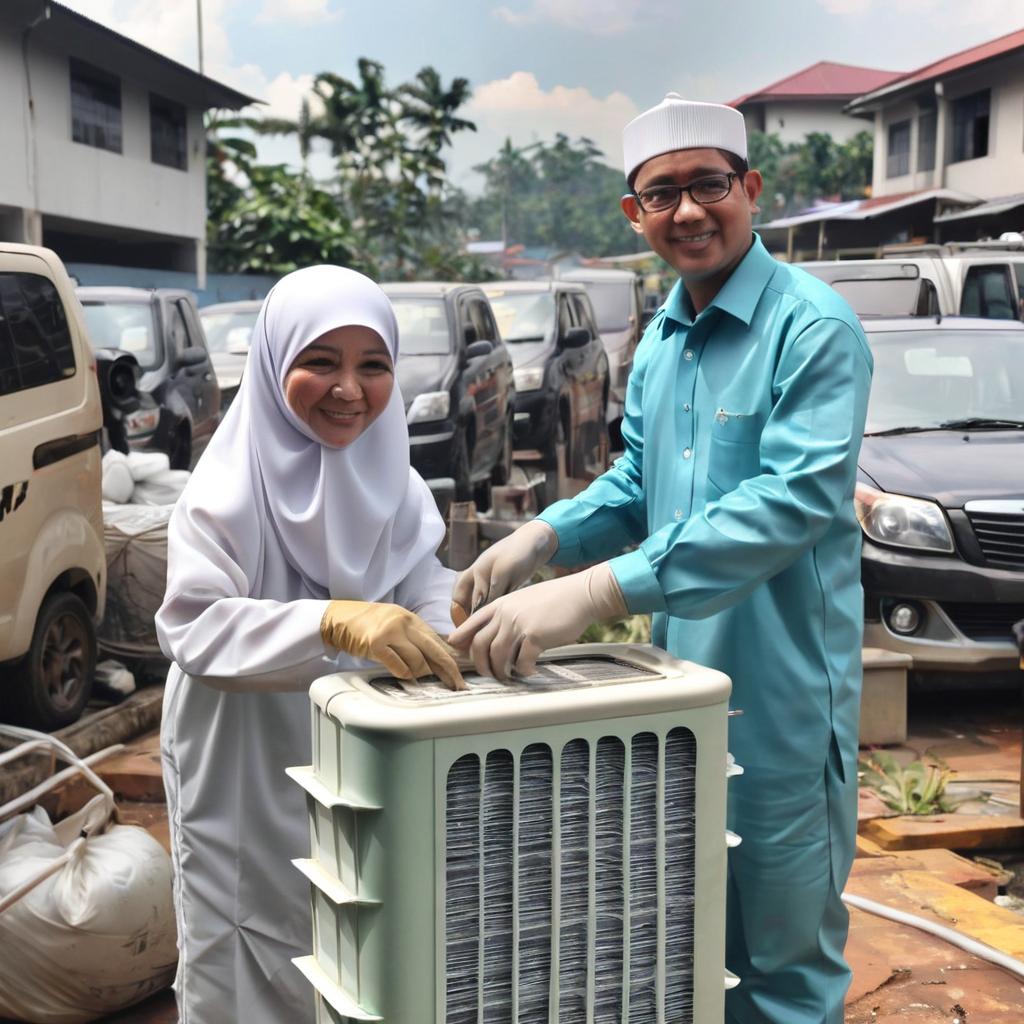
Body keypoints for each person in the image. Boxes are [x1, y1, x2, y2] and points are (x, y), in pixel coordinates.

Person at [449, 95, 873, 1023]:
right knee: (676, 949)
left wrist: (599, 589)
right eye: (662, 194)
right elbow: (640, 479)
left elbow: (792, 501)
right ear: (632, 214)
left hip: (783, 714)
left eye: (709, 185)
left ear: (750, 189)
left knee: (783, 971)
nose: (688, 212)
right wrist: (546, 536)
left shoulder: (814, 329)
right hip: (674, 702)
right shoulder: (660, 341)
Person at [156, 266, 464, 1024]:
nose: (349, 390)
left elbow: (424, 586)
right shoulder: (224, 492)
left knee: (367, 946)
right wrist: (329, 622)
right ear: (271, 364)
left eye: (374, 366)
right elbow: (193, 625)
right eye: (321, 362)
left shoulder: (400, 486)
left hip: (371, 762)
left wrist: (462, 627)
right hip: (245, 768)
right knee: (248, 949)